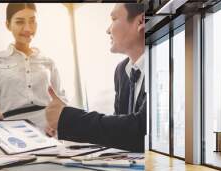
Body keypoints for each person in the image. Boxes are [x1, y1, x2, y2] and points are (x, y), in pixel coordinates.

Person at [46, 3, 146, 152]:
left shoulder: (162, 64)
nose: (107, 30)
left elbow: (140, 129)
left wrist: (67, 118)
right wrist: (64, 120)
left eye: (113, 19)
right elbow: (120, 131)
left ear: (140, 22)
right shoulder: (121, 71)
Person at [0, 3, 67, 135]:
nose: (28, 28)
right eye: (20, 22)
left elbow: (61, 98)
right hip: (11, 128)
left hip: (48, 127)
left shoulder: (48, 61)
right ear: (8, 25)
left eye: (32, 21)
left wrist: (56, 122)